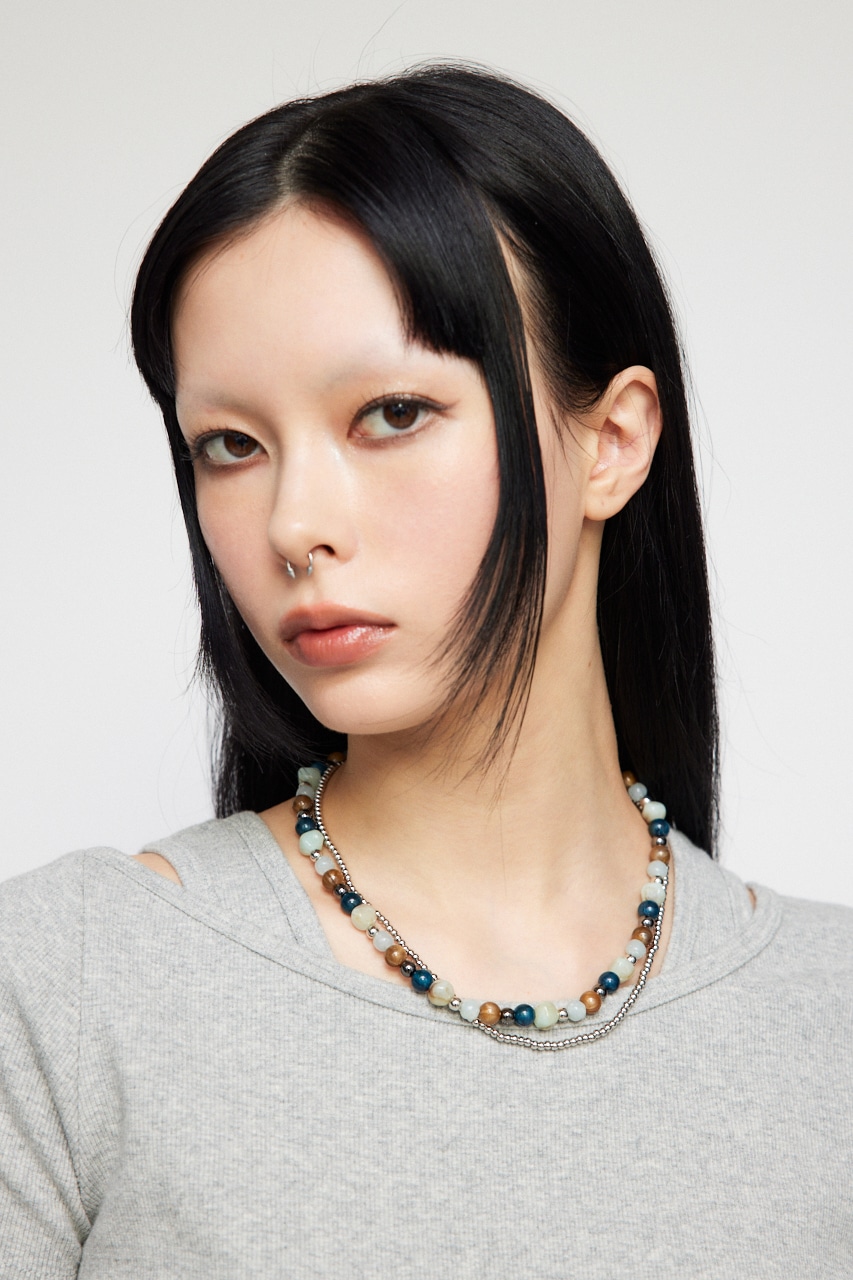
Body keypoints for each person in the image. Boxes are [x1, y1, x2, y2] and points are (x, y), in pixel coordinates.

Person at [1, 64, 850, 1279]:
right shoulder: (67, 984)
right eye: (230, 444)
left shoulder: (829, 1019)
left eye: (392, 413)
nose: (296, 522)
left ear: (611, 440)